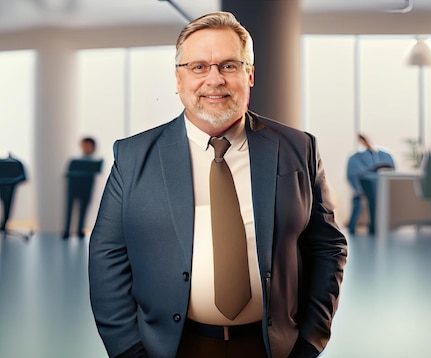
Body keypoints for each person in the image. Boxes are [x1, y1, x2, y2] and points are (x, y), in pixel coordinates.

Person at [88, 11, 347, 358]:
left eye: (228, 66)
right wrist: (128, 351)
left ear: (249, 74)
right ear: (178, 80)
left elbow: (327, 246)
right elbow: (107, 256)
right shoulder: (134, 157)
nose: (214, 80)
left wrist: (310, 340)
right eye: (198, 67)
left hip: (273, 348)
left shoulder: (298, 149)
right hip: (171, 348)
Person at [346, 134, 395, 235]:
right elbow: (352, 174)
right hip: (363, 183)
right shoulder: (356, 157)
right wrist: (358, 189)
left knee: (372, 198)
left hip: (377, 184)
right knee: (364, 199)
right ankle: (370, 227)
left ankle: (373, 227)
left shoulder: (383, 154)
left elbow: (391, 170)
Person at [62, 137, 102, 239]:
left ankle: (80, 230)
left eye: (88, 145)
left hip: (87, 187)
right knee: (70, 209)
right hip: (74, 186)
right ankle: (67, 230)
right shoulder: (74, 160)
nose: (86, 148)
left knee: (84, 210)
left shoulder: (95, 161)